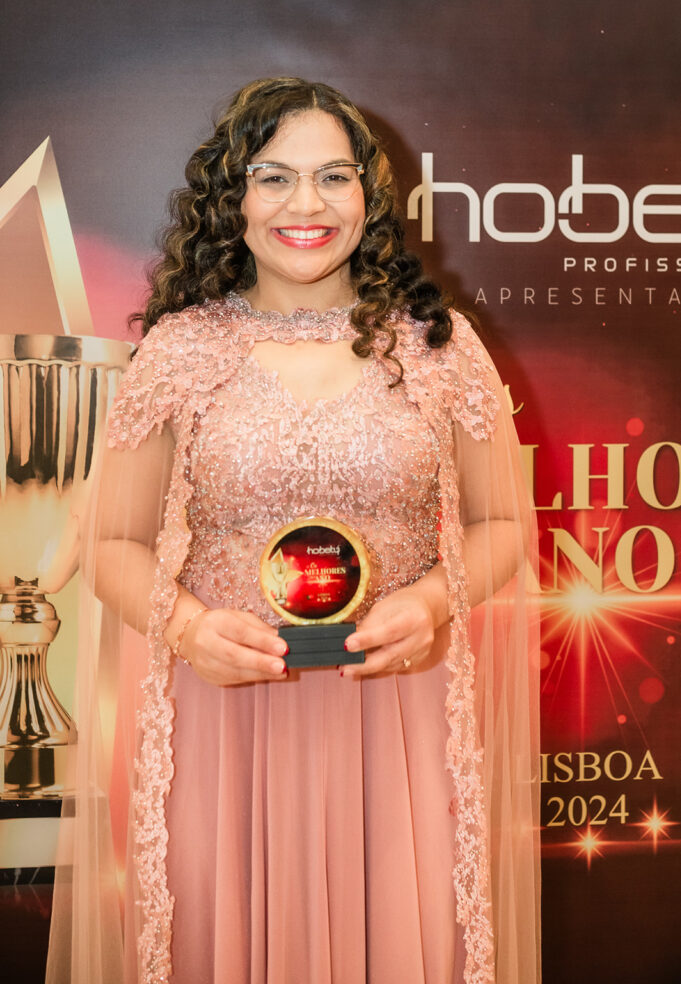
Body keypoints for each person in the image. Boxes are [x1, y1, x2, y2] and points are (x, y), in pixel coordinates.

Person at [47, 77, 540, 984]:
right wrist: (189, 627)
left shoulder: (439, 345)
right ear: (231, 198)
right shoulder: (181, 351)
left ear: (369, 196)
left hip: (398, 715)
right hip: (222, 719)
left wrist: (434, 602)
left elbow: (503, 523)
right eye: (272, 177)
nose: (305, 204)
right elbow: (112, 545)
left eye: (332, 177)